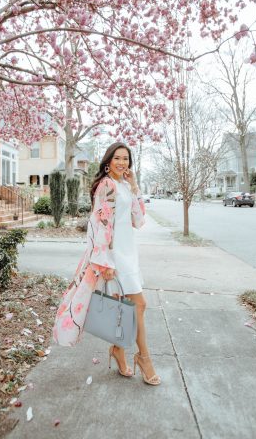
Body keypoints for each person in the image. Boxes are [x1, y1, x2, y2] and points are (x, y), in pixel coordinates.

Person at [53, 141, 160, 386]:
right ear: (108, 162)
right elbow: (99, 225)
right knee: (138, 305)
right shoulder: (106, 186)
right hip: (113, 255)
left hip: (128, 252)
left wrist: (134, 187)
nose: (123, 163)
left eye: (126, 159)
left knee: (127, 308)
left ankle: (119, 350)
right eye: (118, 158)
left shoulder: (124, 185)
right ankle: (144, 359)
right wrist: (104, 261)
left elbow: (138, 219)